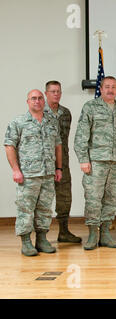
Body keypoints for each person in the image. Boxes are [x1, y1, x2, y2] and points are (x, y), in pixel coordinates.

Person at [4, 89, 62, 256]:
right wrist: (16, 170)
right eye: (33, 98)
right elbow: (9, 146)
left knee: (45, 209)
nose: (37, 101)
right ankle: (26, 242)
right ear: (28, 102)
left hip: (48, 173)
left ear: (44, 101)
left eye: (40, 98)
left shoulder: (52, 121)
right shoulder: (19, 122)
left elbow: (58, 146)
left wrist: (58, 168)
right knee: (26, 209)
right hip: (28, 175)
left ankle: (42, 239)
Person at [74, 76, 116, 250]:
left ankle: (105, 234)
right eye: (107, 87)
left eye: (113, 87)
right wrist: (83, 159)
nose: (110, 90)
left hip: (114, 161)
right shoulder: (90, 107)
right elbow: (81, 135)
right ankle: (92, 234)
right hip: (95, 160)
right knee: (93, 198)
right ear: (101, 89)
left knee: (111, 199)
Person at [44, 80, 81, 243]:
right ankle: (41, 236)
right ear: (46, 93)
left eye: (58, 91)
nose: (56, 94)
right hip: (43, 162)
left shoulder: (66, 113)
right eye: (52, 91)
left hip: (63, 162)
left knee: (65, 196)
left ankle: (64, 231)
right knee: (42, 199)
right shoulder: (39, 111)